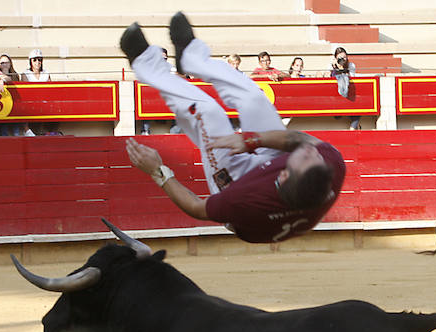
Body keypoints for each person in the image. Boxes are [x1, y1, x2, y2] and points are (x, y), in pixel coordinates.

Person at [119, 13, 346, 244]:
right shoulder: (329, 165)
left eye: (304, 157)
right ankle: (191, 58)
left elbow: (197, 208)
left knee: (207, 112)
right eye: (313, 155)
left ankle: (146, 64)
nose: (309, 150)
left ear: (284, 174)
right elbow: (297, 141)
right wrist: (251, 140)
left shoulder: (243, 198)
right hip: (276, 188)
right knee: (254, 99)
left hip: (236, 181)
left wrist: (158, 171)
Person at [330, 47, 360, 130]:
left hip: (349, 95)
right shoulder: (332, 65)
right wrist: (335, 67)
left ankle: (352, 129)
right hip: (335, 98)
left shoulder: (351, 65)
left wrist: (343, 69)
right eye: (340, 58)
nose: (342, 60)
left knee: (357, 112)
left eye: (344, 57)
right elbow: (330, 79)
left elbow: (352, 77)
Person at [0, 54, 24, 135]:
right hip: (2, 105)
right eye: (2, 63)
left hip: (14, 104)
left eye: (7, 62)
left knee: (16, 130)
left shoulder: (15, 75)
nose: (5, 65)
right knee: (3, 128)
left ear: (10, 63)